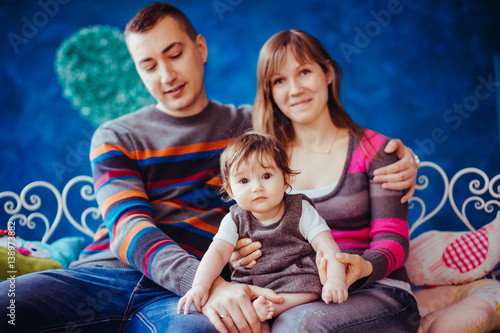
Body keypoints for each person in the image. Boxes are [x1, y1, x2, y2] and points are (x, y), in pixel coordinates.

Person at [0, 3, 418, 333]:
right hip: (113, 275)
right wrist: (211, 284)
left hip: (182, 301)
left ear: (200, 48)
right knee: (9, 305)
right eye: (148, 65)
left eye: (174, 53)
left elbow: (323, 134)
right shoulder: (116, 135)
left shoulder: (254, 129)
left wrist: (402, 156)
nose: (166, 75)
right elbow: (129, 229)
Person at [232, 28, 421, 332]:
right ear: (269, 91)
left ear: (328, 73)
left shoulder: (375, 150)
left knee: (297, 327)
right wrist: (239, 255)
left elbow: (393, 240)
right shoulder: (263, 163)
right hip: (295, 293)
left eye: (304, 71)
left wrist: (364, 267)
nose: (294, 89)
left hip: (378, 289)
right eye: (279, 80)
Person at [177, 132, 348, 324]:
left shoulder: (301, 210)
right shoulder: (234, 219)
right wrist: (200, 285)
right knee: (236, 308)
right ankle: (257, 311)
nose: (257, 187)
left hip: (295, 276)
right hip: (252, 283)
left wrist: (335, 279)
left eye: (266, 176)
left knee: (311, 288)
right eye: (244, 181)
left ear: (285, 179)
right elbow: (217, 253)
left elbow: (326, 245)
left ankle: (274, 307)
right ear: (231, 190)